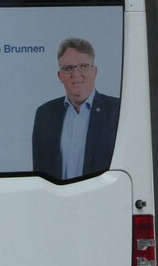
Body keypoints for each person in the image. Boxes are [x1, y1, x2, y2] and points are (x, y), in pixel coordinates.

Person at [31, 37, 120, 180]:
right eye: (68, 68)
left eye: (83, 66)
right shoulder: (44, 114)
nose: (76, 74)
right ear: (60, 76)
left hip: (101, 198)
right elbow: (40, 172)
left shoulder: (116, 111)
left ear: (95, 71)